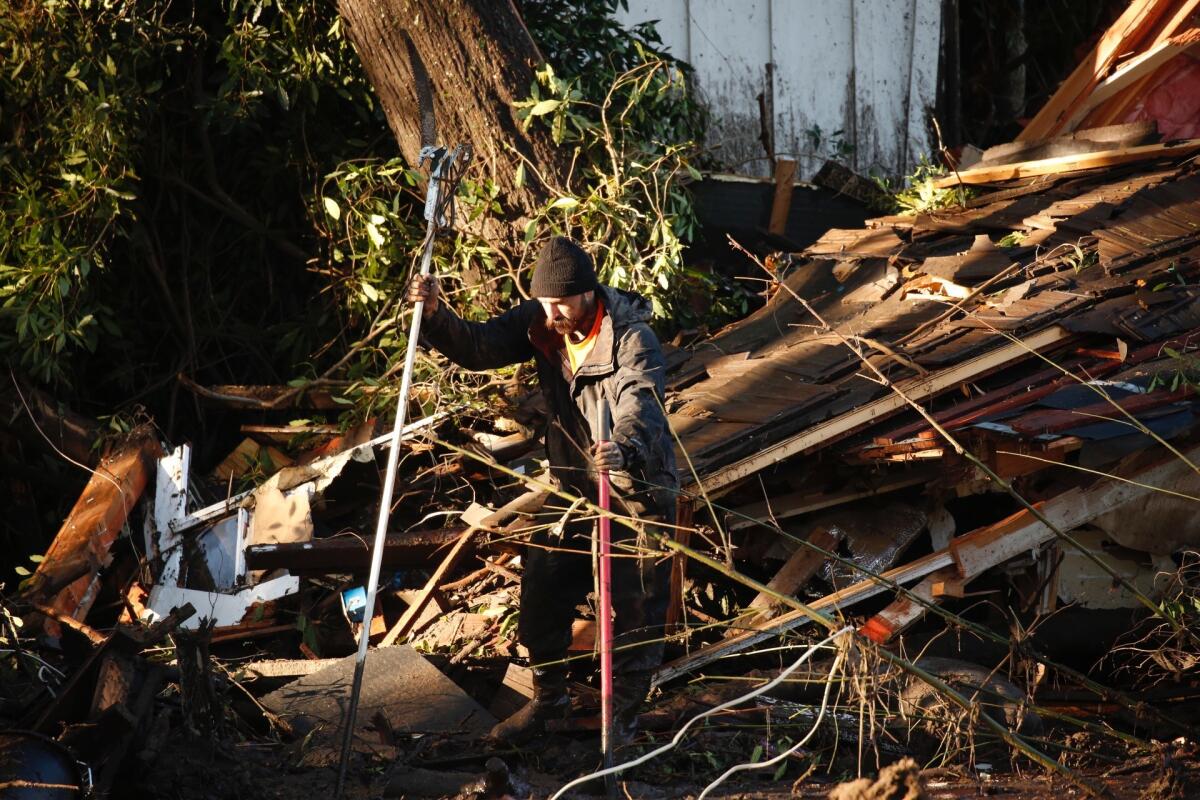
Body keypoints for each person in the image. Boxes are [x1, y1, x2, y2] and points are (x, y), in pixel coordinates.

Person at [408, 235, 678, 744]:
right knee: (542, 588)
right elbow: (479, 346)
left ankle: (620, 720)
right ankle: (548, 702)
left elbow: (641, 400)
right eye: (546, 301)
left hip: (634, 488)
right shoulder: (541, 321)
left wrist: (623, 445)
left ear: (588, 293)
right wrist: (438, 316)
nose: (553, 312)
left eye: (563, 302)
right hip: (576, 488)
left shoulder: (630, 338)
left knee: (637, 609)